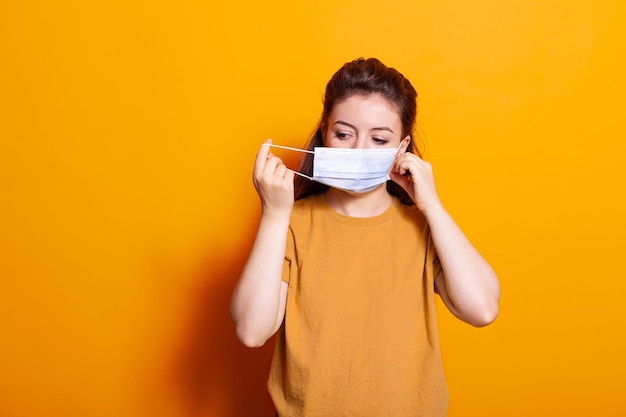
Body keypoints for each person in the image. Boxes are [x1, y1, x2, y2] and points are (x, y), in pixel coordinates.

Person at [230, 57, 500, 416]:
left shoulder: (422, 228)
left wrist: (432, 205)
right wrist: (275, 214)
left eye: (379, 139)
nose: (359, 151)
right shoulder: (292, 224)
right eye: (343, 134)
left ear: (402, 147)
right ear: (324, 133)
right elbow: (251, 331)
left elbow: (482, 309)